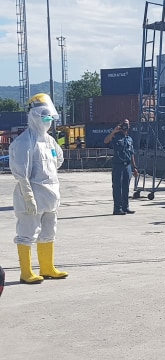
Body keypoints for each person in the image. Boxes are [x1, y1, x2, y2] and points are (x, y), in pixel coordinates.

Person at [9, 93, 68, 284]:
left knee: (49, 231)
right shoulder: (24, 142)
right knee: (27, 232)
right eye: (44, 115)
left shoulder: (49, 140)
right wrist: (28, 196)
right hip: (33, 196)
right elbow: (21, 173)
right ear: (34, 115)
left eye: (49, 115)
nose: (48, 119)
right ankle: (26, 272)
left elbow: (58, 161)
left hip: (50, 196)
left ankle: (47, 267)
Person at [104, 118, 139, 215]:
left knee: (126, 188)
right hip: (118, 165)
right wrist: (114, 131)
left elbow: (131, 154)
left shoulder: (129, 139)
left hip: (127, 166)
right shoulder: (115, 137)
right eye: (124, 124)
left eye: (127, 124)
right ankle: (117, 209)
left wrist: (134, 167)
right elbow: (106, 141)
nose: (125, 126)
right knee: (117, 187)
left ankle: (125, 207)